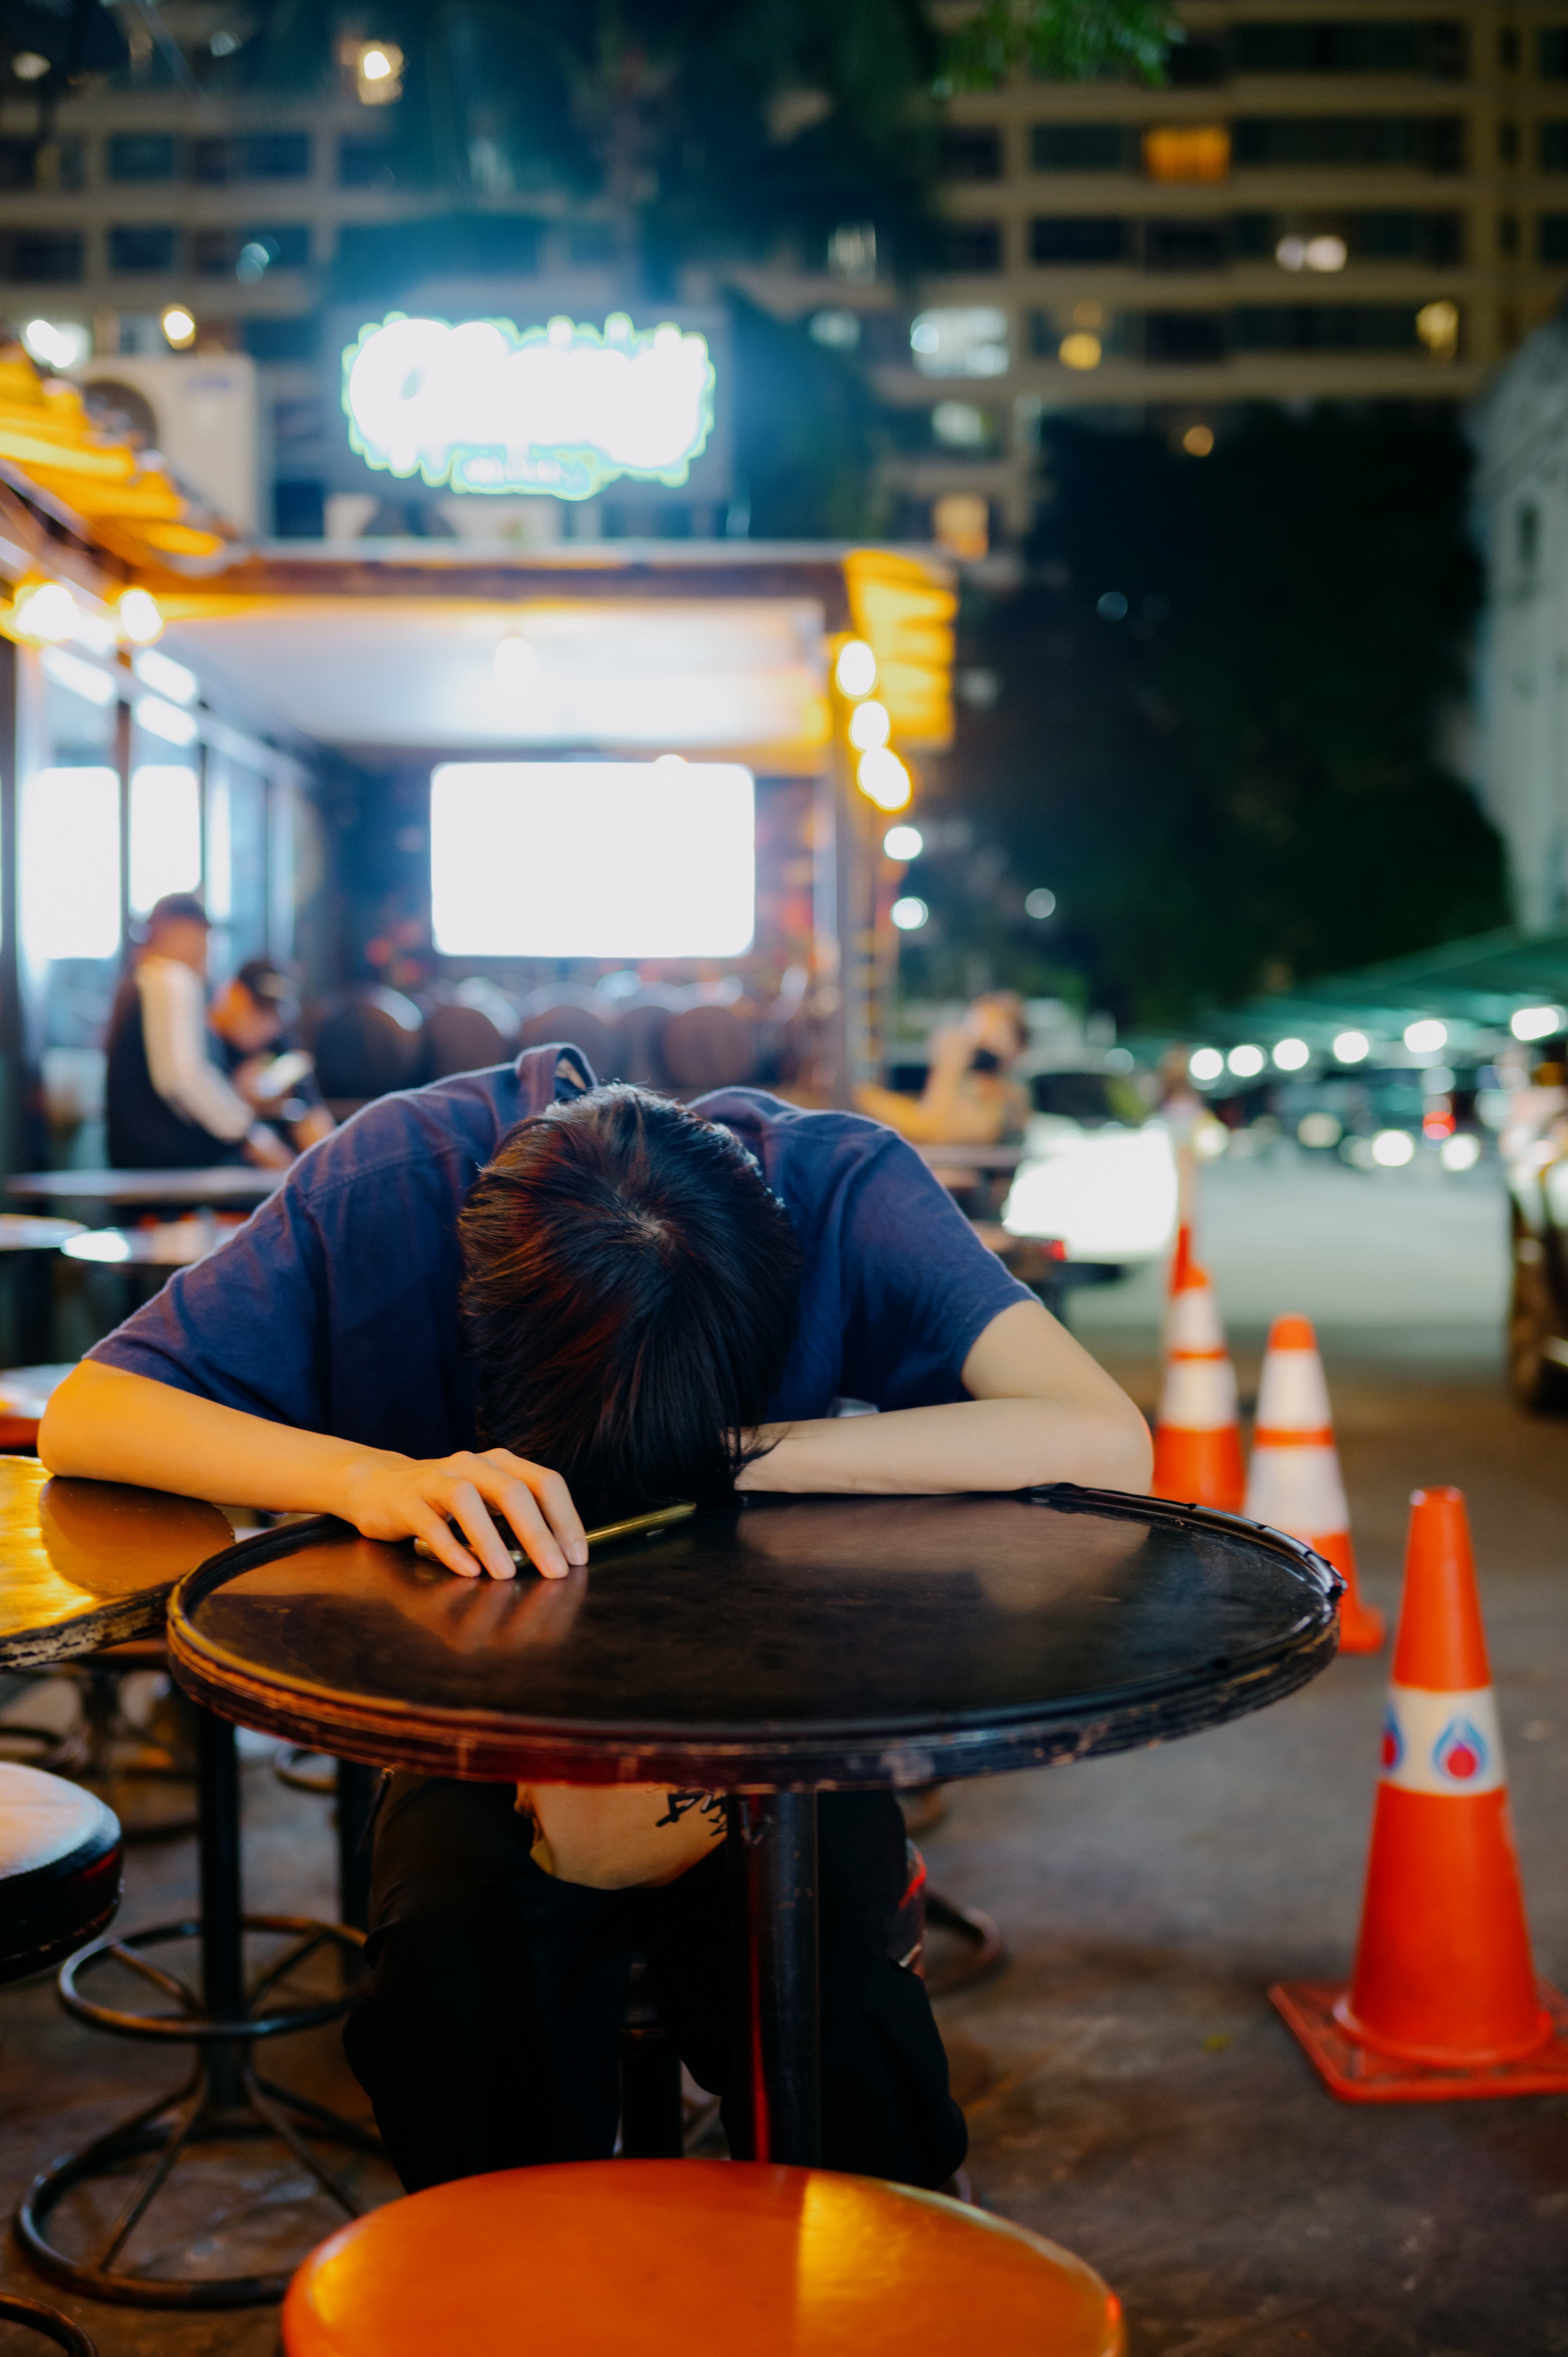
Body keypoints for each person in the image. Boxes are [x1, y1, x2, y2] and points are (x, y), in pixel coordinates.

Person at [41, 1046, 1152, 2195]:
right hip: (474, 1693)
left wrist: (743, 1457)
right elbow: (92, 1410)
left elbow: (1106, 1437)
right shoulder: (398, 1183)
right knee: (452, 1998)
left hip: (776, 1690)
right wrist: (369, 1480)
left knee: (845, 2023)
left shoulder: (838, 1189)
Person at [105, 896, 291, 1171]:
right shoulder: (169, 978)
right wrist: (251, 1135)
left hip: (139, 1164)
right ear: (178, 931)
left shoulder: (139, 983)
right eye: (203, 936)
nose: (207, 950)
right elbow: (184, 1079)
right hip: (170, 1173)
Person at [856, 992, 1031, 1148]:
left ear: (1017, 1049)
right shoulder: (973, 1090)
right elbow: (918, 1117)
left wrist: (949, 1067)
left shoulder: (1004, 1104)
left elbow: (927, 1130)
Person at [209, 958, 334, 1152]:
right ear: (234, 994)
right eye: (260, 1010)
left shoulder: (280, 1043)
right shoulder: (207, 1041)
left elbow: (314, 1118)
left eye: (276, 1015)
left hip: (269, 1173)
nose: (268, 1025)